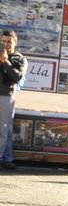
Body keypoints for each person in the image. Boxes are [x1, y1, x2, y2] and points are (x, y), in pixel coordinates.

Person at [0, 29, 26, 171]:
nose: (6, 44)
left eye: (9, 41)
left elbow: (18, 77)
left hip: (6, 96)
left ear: (15, 43)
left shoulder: (19, 58)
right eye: (3, 41)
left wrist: (6, 62)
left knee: (3, 131)